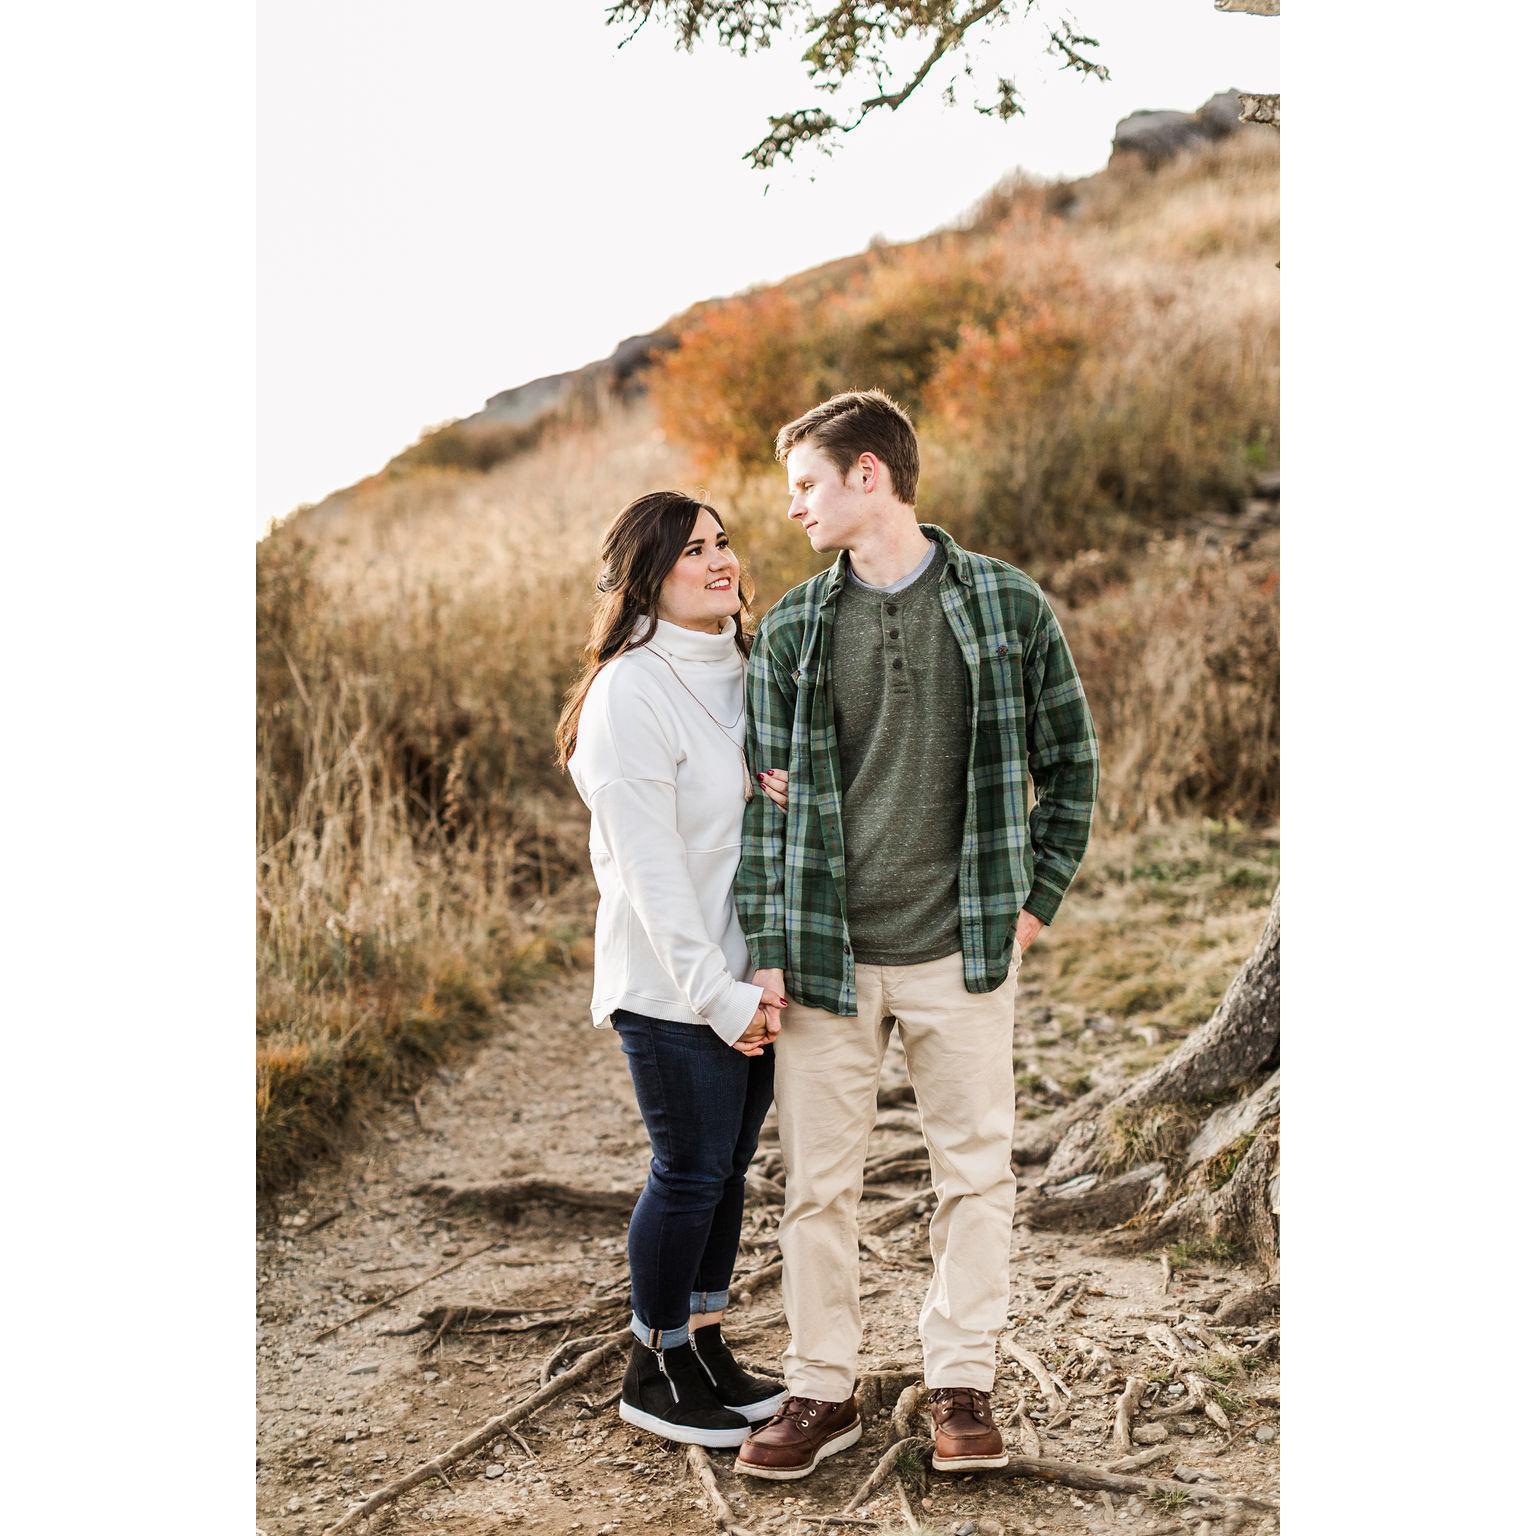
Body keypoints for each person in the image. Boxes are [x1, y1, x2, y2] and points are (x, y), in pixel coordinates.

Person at [731, 390, 1100, 1481]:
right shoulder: (795, 625)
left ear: (869, 477)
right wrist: (766, 945)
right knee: (817, 1188)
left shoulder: (1004, 604)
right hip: (828, 955)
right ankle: (819, 1390)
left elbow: (1070, 764)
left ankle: (962, 1384)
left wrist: (1034, 899)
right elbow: (766, 806)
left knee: (976, 1175)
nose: (793, 507)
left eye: (807, 484)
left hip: (963, 948)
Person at [558, 491, 794, 1448]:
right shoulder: (629, 692)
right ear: (650, 575)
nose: (721, 561)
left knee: (730, 1169)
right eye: (694, 550)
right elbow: (655, 878)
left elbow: (751, 801)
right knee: (690, 1169)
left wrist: (774, 788)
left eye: (724, 541)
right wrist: (718, 995)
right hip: (672, 982)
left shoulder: (744, 666)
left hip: (750, 975)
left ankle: (704, 1343)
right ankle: (651, 1366)